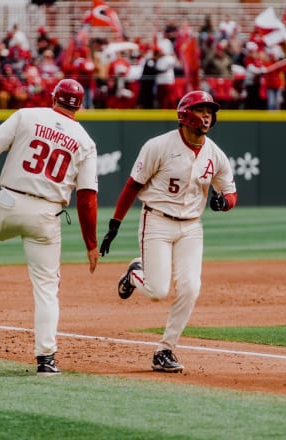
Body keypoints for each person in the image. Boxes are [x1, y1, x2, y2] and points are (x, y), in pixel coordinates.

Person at [0, 78, 99, 376]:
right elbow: (87, 198)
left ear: (54, 97)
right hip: (47, 214)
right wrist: (90, 244)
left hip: (10, 200)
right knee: (46, 291)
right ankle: (46, 359)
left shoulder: (28, 115)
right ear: (80, 106)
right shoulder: (85, 141)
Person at [99, 90, 237, 373]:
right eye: (201, 109)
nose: (207, 115)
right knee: (156, 290)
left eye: (210, 110)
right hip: (157, 222)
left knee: (191, 287)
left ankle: (165, 350)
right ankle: (135, 272)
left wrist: (224, 203)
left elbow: (231, 192)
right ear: (186, 114)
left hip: (191, 227)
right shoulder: (159, 146)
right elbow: (132, 185)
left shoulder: (215, 154)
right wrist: (115, 224)